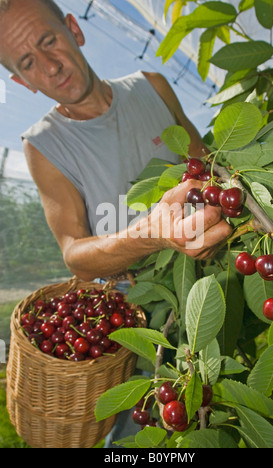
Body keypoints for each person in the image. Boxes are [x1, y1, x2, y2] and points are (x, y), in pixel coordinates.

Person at [0, 0, 232, 447]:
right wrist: (153, 234)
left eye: (49, 40)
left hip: (207, 274)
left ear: (74, 30)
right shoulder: (43, 145)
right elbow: (75, 254)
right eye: (28, 61)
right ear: (20, 80)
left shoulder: (153, 87)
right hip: (127, 303)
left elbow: (207, 168)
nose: (49, 66)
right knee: (136, 430)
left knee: (212, 409)